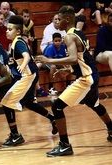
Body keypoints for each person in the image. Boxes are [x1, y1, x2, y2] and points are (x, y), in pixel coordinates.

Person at [35, 5, 112, 157]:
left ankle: (64, 145)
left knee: (57, 106)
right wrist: (67, 70)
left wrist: (48, 59)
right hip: (91, 74)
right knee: (94, 104)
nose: (57, 22)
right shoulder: (78, 33)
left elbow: (73, 58)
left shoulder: (69, 36)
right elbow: (83, 59)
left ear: (68, 18)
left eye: (60, 19)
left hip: (86, 79)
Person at [0, 15, 58, 147]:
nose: (7, 31)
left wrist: (22, 65)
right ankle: (52, 119)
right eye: (7, 29)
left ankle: (15, 136)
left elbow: (26, 55)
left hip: (27, 76)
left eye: (10, 29)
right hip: (30, 75)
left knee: (6, 103)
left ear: (18, 31)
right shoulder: (15, 41)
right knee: (28, 103)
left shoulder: (19, 42)